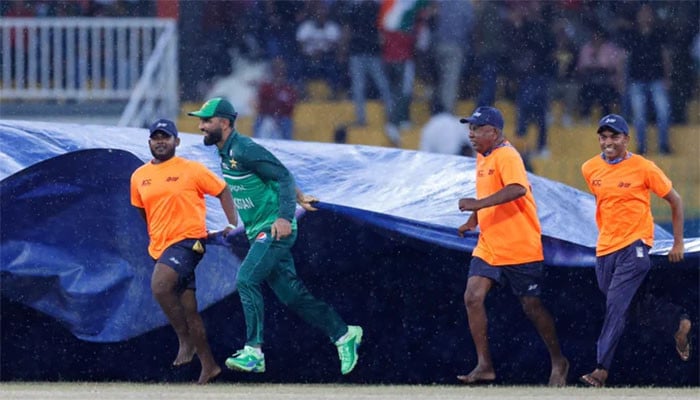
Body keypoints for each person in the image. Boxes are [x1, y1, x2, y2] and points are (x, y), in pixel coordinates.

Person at [187, 97, 363, 375]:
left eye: (206, 121)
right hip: (260, 229)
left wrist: (284, 216)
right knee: (292, 296)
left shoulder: (243, 148)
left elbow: (282, 175)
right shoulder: (224, 152)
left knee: (246, 278)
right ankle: (343, 334)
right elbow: (274, 176)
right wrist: (299, 196)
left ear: (224, 123)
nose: (200, 126)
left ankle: (253, 352)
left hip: (274, 228)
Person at [455, 106, 569, 386]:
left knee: (531, 306)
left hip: (520, 245)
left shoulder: (507, 155)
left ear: (493, 132)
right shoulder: (484, 155)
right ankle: (485, 365)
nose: (471, 133)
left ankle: (558, 360)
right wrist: (474, 218)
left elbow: (517, 188)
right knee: (472, 297)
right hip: (491, 243)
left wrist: (477, 205)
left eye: (477, 129)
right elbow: (490, 191)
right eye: (470, 128)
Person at [579, 114, 690, 388]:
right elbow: (605, 206)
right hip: (605, 249)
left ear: (626, 139)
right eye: (603, 137)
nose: (608, 142)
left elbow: (675, 201)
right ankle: (677, 322)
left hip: (636, 247)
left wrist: (678, 243)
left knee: (616, 307)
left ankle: (600, 370)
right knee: (629, 307)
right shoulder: (589, 168)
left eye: (614, 136)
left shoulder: (643, 167)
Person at [129, 118, 239, 385]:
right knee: (189, 309)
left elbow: (223, 190)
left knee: (159, 286)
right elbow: (143, 211)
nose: (160, 141)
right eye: (156, 137)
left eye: (166, 137)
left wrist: (231, 224)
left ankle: (184, 340)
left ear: (177, 141)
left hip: (189, 241)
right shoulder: (139, 176)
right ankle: (209, 366)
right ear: (149, 142)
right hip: (162, 246)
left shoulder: (191, 169)